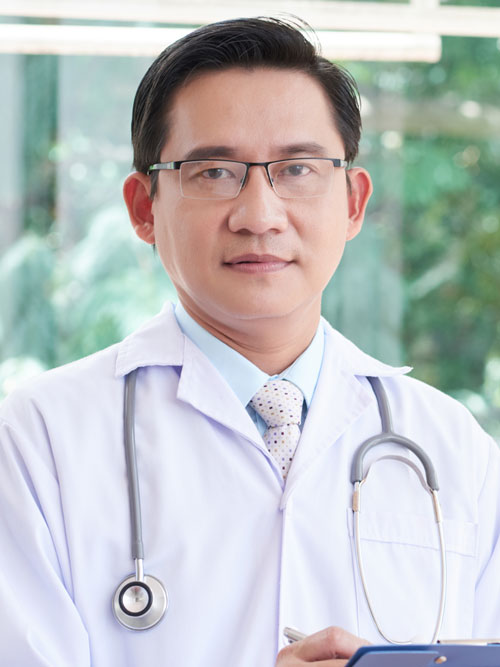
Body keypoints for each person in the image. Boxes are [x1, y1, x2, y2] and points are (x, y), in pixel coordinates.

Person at [0, 16, 499, 667]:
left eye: (297, 169)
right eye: (214, 172)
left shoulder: (454, 448)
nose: (260, 215)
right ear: (144, 207)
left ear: (353, 203)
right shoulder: (36, 440)